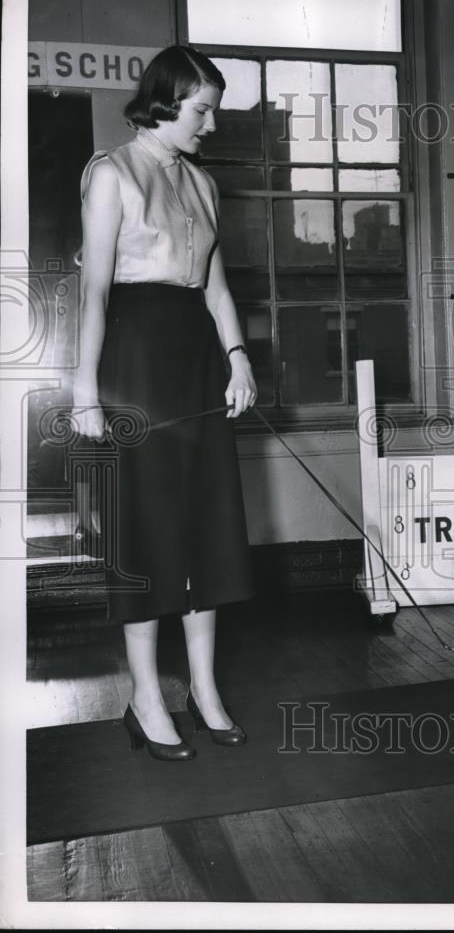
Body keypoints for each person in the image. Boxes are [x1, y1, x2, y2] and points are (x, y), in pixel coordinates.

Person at [70, 45, 256, 761]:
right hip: (137, 359)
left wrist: (238, 358)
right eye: (201, 108)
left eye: (212, 109)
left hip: (199, 359)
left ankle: (204, 691)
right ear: (166, 99)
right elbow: (95, 292)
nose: (210, 122)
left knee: (208, 526)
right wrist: (87, 390)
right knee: (147, 537)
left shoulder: (204, 185)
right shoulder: (111, 173)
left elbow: (214, 288)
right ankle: (146, 698)